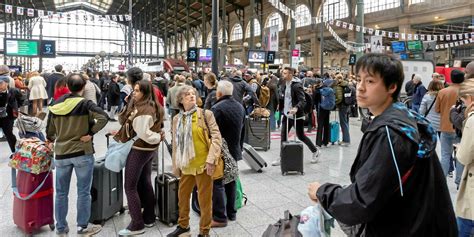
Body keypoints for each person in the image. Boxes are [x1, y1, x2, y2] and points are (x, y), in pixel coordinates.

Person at [308, 53, 457, 236]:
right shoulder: (404, 118)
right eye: (359, 79)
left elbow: (363, 200)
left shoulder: (390, 133)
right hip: (418, 223)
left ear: (392, 87)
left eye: (370, 81)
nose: (360, 88)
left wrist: (323, 192)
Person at [46, 73, 108, 236]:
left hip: (61, 154)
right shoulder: (85, 104)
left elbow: (50, 132)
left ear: (68, 85)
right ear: (83, 87)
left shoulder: (56, 104)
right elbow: (103, 117)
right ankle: (82, 226)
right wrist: (90, 133)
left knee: (61, 193)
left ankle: (61, 226)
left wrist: (53, 139)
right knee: (83, 191)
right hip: (82, 152)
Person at [167, 85, 222, 237]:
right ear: (180, 100)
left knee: (204, 202)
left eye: (193, 94)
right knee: (182, 199)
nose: (191, 96)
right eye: (187, 95)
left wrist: (211, 161)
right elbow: (176, 144)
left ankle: (204, 232)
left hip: (203, 165)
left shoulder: (206, 114)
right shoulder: (177, 119)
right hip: (186, 166)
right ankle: (183, 226)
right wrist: (176, 165)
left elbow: (217, 138)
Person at [117, 80, 165, 236]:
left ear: (144, 92)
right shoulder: (150, 105)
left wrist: (157, 137)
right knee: (145, 180)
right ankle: (149, 217)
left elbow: (144, 133)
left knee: (130, 186)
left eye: (137, 91)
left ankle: (137, 224)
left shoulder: (144, 110)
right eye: (134, 90)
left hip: (140, 149)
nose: (134, 93)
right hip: (148, 149)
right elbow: (123, 119)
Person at [210, 80, 245, 226]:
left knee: (217, 182)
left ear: (219, 93)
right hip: (234, 149)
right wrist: (239, 148)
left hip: (221, 152)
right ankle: (232, 213)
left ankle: (219, 216)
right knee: (231, 182)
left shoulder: (216, 108)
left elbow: (212, 133)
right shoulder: (240, 107)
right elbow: (243, 130)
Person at [272, 67, 320, 166]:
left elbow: (303, 100)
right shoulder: (284, 83)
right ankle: (282, 157)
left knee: (301, 136)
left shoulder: (297, 86)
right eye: (283, 73)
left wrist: (296, 108)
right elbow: (284, 97)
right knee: (283, 136)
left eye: (285, 73)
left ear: (290, 74)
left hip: (296, 115)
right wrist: (280, 105)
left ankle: (315, 151)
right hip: (286, 114)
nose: (283, 75)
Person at [435, 69, 465, 185]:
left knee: (445, 155)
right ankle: (459, 181)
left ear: (451, 78)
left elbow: (437, 109)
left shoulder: (442, 92)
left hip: (445, 127)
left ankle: (442, 181)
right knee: (460, 156)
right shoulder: (465, 92)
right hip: (461, 129)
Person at [455, 76, 474, 236]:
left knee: (463, 224)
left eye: (464, 100)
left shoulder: (472, 120)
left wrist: (460, 148)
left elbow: (465, 156)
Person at [0, 75, 23, 153]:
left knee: (9, 134)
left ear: (6, 83)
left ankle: (15, 152)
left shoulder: (13, 91)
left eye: (0, 83)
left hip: (8, 116)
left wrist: (16, 107)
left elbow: (21, 99)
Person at [334, 74, 351, 146]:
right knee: (346, 122)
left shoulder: (339, 86)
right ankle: (346, 139)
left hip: (342, 106)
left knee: (343, 123)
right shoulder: (346, 84)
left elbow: (339, 98)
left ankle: (346, 141)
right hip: (347, 105)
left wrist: (335, 102)